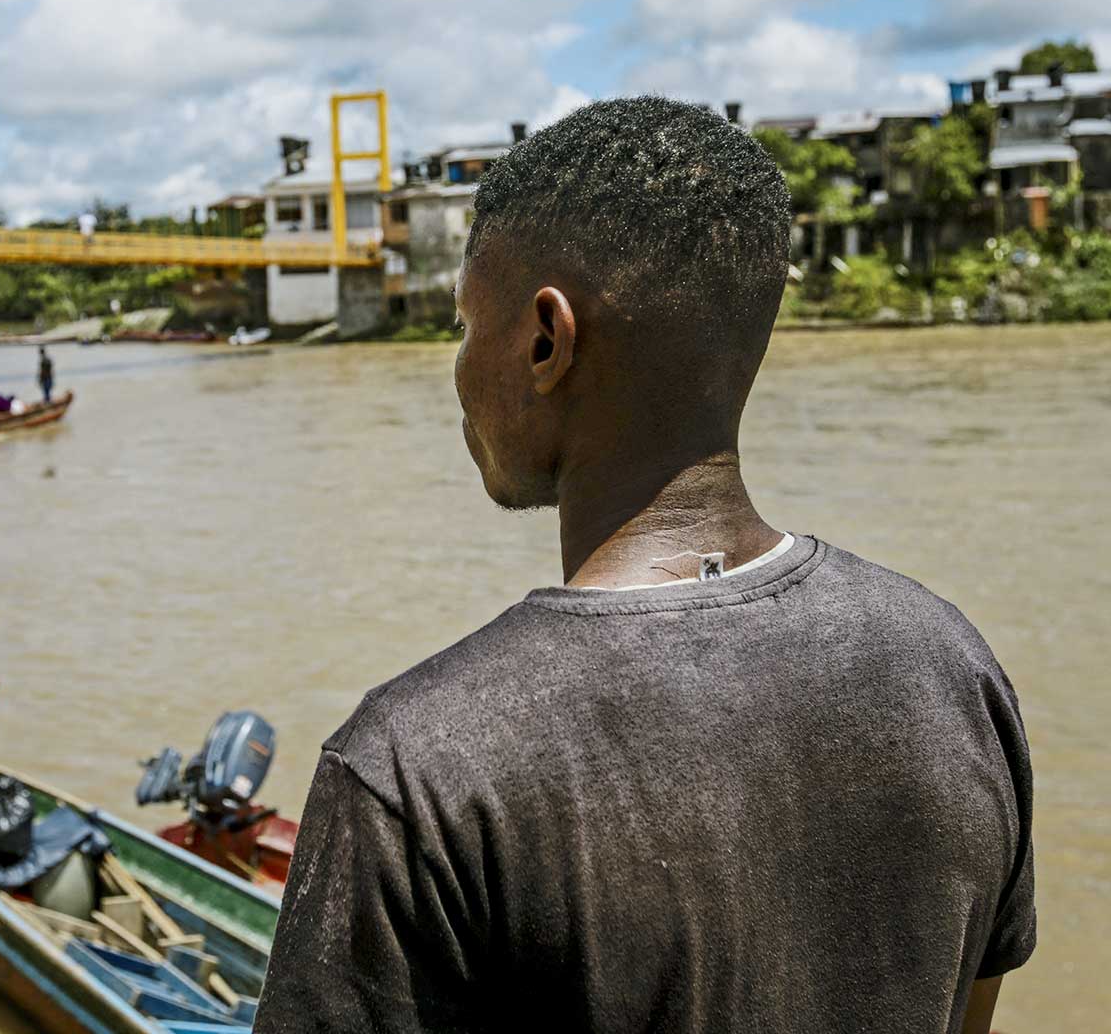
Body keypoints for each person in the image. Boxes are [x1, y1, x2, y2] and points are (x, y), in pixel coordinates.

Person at [254, 98, 1034, 1034]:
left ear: (547, 340)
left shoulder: (417, 770)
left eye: (466, 327)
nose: (458, 367)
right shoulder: (953, 670)